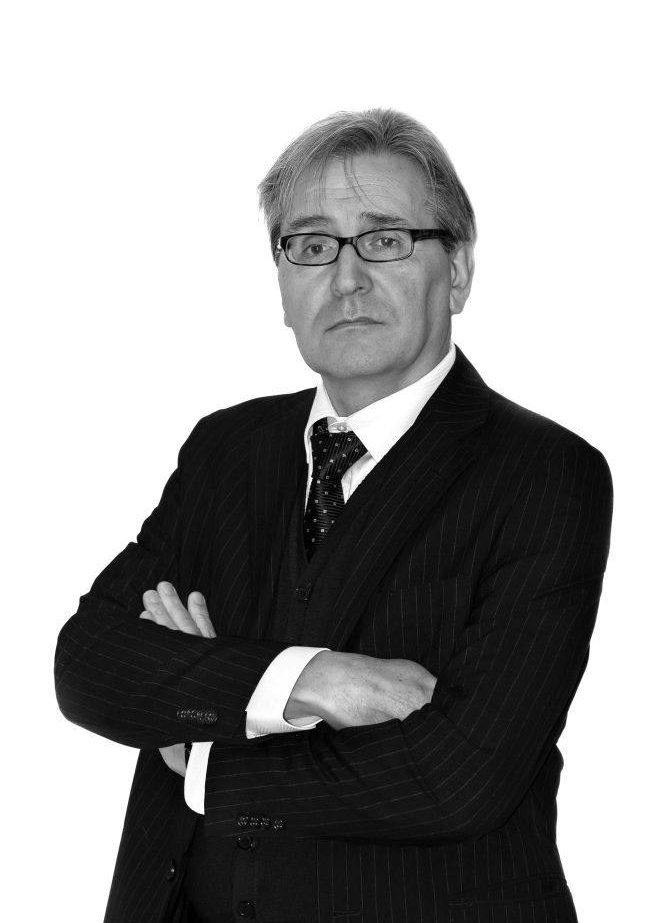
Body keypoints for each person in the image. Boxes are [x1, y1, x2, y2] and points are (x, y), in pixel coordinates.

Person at [55, 108, 613, 923]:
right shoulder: (226, 448)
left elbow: (459, 777)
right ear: (283, 284)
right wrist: (315, 681)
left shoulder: (543, 473)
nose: (346, 278)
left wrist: (205, 749)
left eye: (384, 240)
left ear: (457, 271)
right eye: (312, 246)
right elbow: (90, 665)